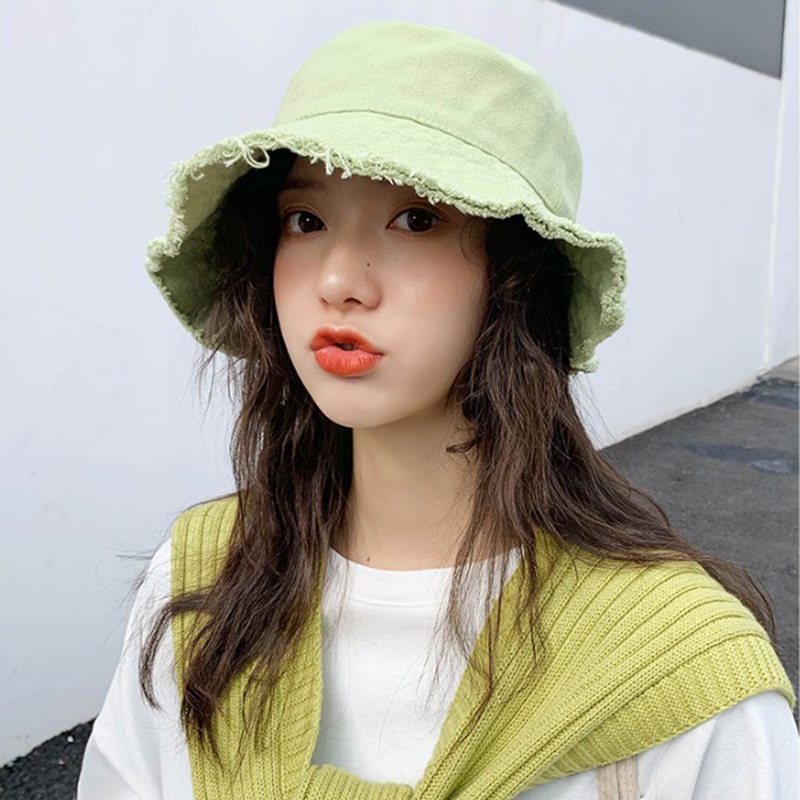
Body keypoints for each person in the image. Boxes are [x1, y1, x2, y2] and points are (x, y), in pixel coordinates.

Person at [76, 19, 798, 800]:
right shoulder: (203, 581)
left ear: (516, 274)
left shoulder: (680, 676)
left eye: (417, 219)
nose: (338, 281)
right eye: (305, 221)